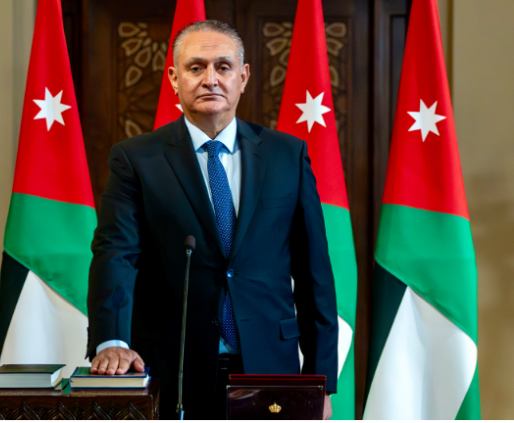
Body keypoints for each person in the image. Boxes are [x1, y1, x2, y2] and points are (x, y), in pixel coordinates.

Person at [86, 20, 338, 420]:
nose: (210, 79)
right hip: (172, 365)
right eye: (196, 67)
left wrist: (320, 380)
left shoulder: (286, 155)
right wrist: (111, 340)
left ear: (243, 76)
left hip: (269, 364)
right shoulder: (136, 158)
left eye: (223, 67)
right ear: (174, 78)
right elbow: (116, 254)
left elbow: (314, 273)